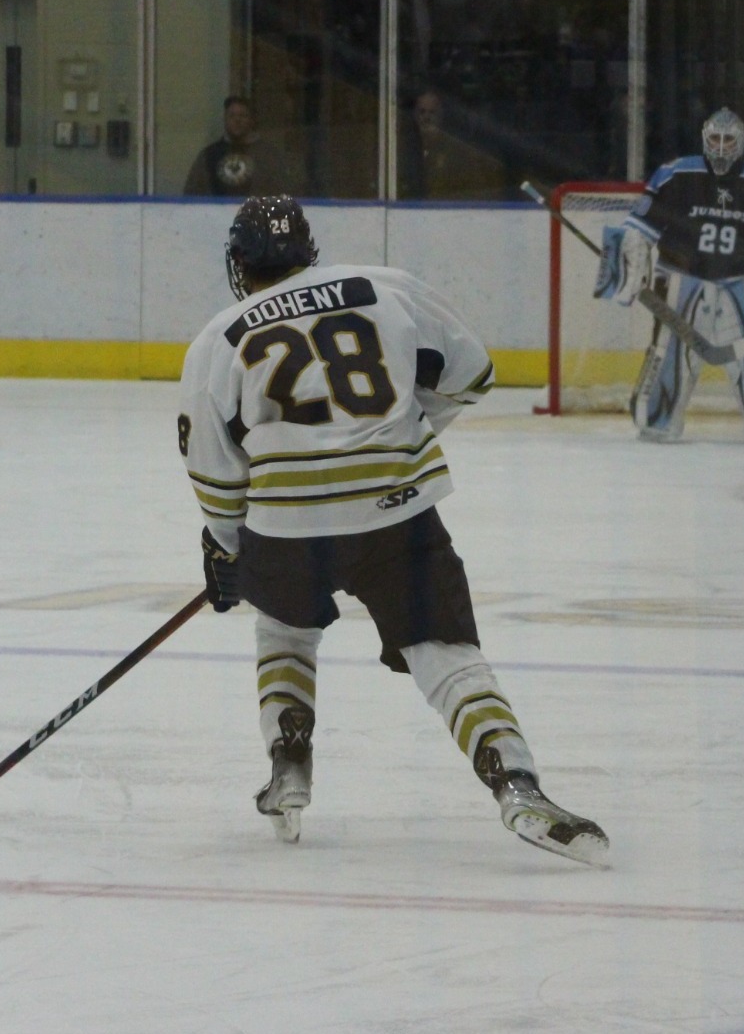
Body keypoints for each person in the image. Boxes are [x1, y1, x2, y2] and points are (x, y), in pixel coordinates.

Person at [177, 194, 608, 865]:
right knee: (445, 651)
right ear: (308, 251)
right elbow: (473, 373)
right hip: (396, 508)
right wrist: (398, 435)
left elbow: (214, 472)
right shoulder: (386, 287)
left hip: (288, 519)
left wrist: (227, 545)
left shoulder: (219, 335)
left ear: (240, 265)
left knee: (284, 624)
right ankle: (516, 782)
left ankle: (289, 762)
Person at [595, 107, 744, 443]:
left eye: (729, 139)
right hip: (683, 277)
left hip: (741, 280)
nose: (722, 146)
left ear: (741, 142)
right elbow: (640, 225)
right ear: (704, 138)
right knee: (668, 346)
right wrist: (631, 258)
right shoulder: (674, 174)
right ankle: (658, 420)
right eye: (715, 138)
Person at [400, 91, 506, 201]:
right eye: (422, 112)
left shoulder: (459, 151)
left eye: (432, 112)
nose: (426, 117)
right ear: (415, 116)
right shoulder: (404, 150)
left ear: (441, 115)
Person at [182, 96, 284, 197]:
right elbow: (191, 194)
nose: (237, 120)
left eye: (243, 115)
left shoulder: (267, 155)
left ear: (252, 120)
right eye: (232, 115)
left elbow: (280, 192)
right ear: (225, 119)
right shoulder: (209, 155)